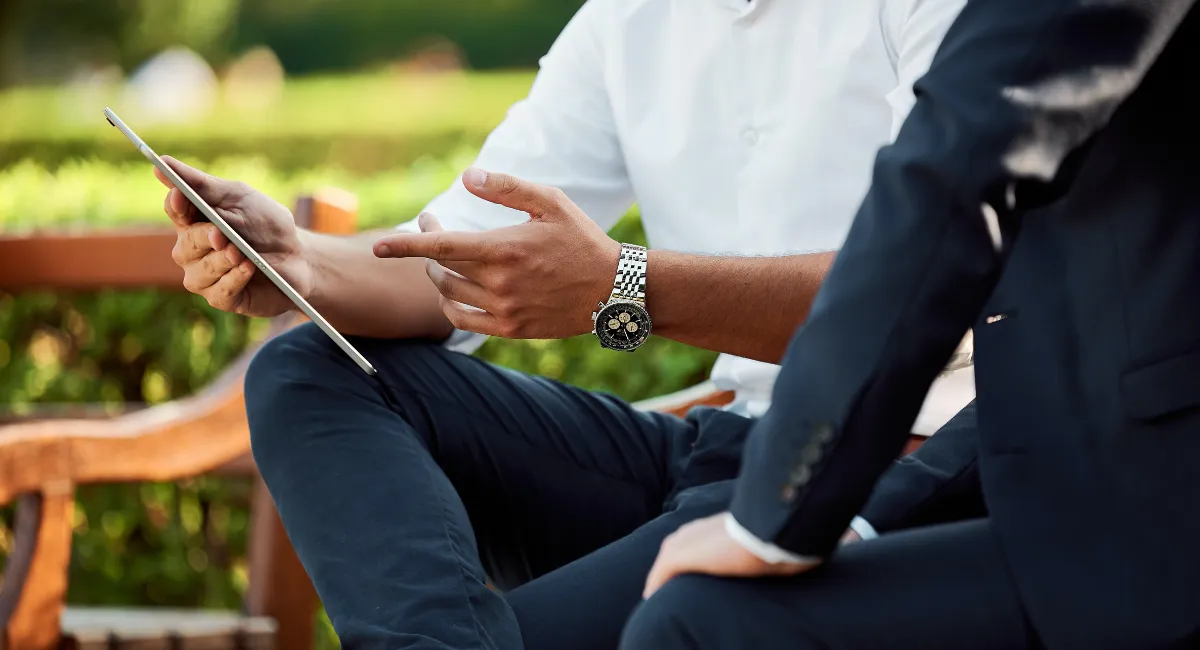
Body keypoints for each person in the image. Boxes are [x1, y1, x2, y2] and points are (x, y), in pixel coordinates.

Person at [154, 0, 972, 647]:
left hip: (888, 467)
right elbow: (460, 251)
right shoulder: (629, 19)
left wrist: (623, 288)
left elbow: (920, 296)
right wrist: (299, 261)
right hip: (716, 448)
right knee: (304, 372)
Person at [621, 0, 1200, 649]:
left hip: (1146, 520)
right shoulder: (626, 23)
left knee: (700, 623)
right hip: (1029, 483)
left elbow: (950, 178)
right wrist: (860, 510)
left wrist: (778, 510)